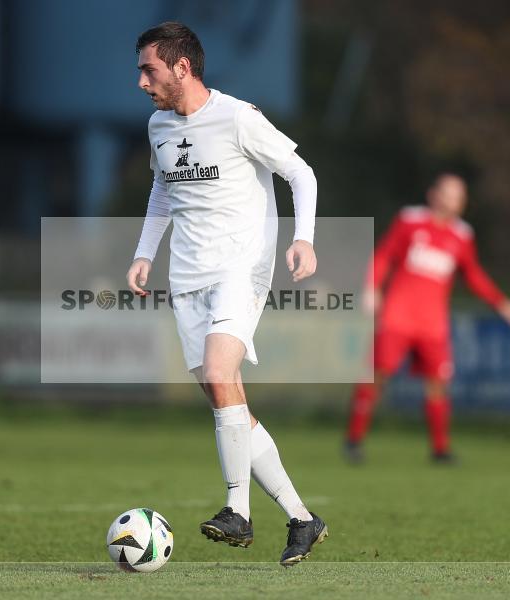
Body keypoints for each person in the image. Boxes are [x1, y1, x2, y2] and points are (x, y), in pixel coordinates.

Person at [128, 22, 326, 566]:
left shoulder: (238, 116)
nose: (142, 81)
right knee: (227, 399)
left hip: (242, 267)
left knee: (220, 373)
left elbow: (300, 173)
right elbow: (162, 192)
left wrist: (304, 239)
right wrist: (145, 253)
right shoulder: (158, 126)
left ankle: (237, 510)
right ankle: (303, 519)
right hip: (187, 279)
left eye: (149, 69)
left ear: (182, 67)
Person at [345, 174, 510, 463]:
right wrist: (372, 287)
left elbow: (474, 275)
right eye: (450, 193)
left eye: (460, 195)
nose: (455, 201)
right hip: (398, 315)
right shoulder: (410, 220)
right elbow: (384, 256)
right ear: (434, 195)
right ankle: (354, 441)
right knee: (377, 376)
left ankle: (440, 449)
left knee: (438, 383)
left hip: (432, 323)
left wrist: (502, 304)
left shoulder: (462, 235)